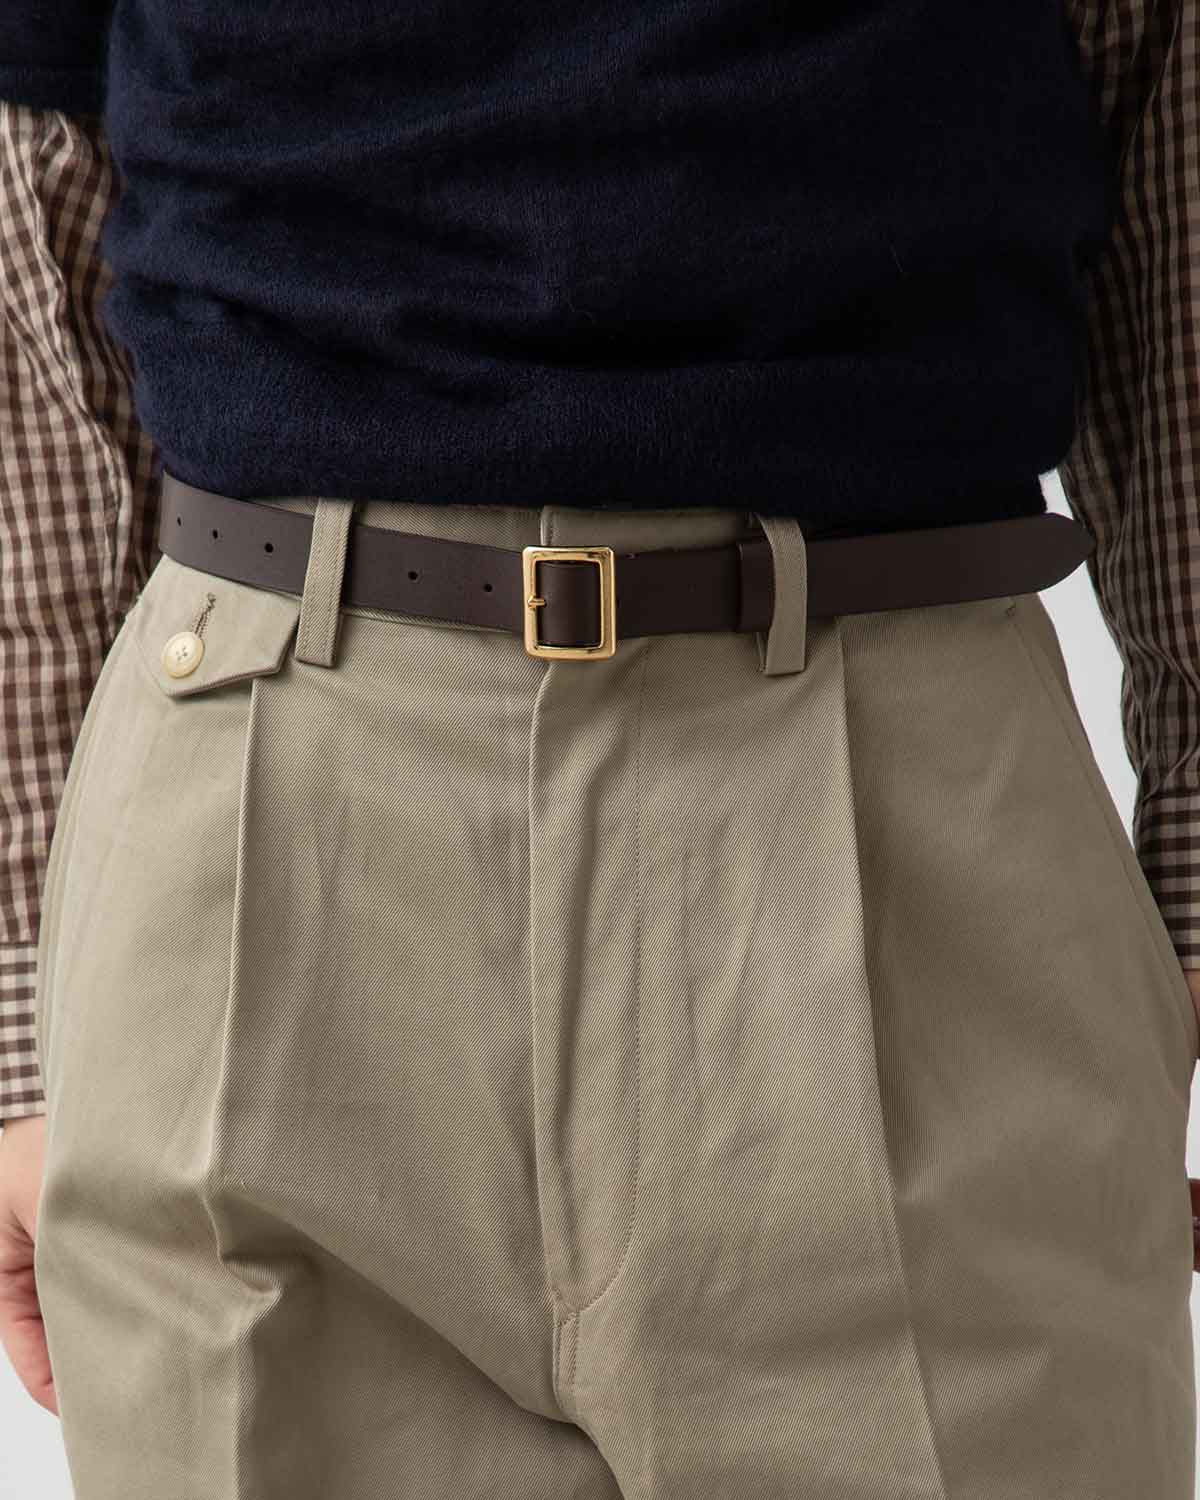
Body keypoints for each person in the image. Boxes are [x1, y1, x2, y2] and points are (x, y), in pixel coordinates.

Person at [0, 2, 1197, 1495]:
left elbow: (1169, 108)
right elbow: (36, 168)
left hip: (902, 820)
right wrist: (26, 1007)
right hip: (266, 819)